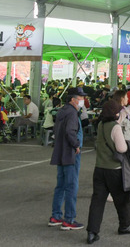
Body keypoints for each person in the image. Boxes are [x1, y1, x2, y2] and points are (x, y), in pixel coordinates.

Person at [86, 90, 130, 244]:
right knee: (122, 200)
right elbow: (122, 149)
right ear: (115, 113)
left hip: (99, 169)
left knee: (97, 201)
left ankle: (92, 232)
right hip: (114, 170)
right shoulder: (115, 127)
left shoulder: (101, 125)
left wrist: (127, 109)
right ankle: (125, 226)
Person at [48, 87, 86, 231]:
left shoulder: (62, 111)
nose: (82, 100)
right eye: (80, 98)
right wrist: (76, 145)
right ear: (73, 99)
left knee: (61, 186)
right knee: (71, 186)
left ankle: (56, 216)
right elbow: (71, 131)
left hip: (61, 152)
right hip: (70, 153)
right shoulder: (72, 113)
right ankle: (69, 219)